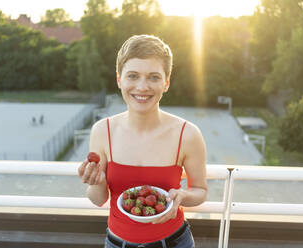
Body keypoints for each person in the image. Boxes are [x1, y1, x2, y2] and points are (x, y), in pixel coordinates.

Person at [78, 34, 208, 248]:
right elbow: (98, 199)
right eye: (133, 76)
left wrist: (183, 195)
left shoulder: (188, 134)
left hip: (175, 243)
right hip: (116, 243)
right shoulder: (102, 131)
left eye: (154, 77)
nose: (142, 86)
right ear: (119, 79)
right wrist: (97, 182)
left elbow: (200, 191)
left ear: (166, 82)